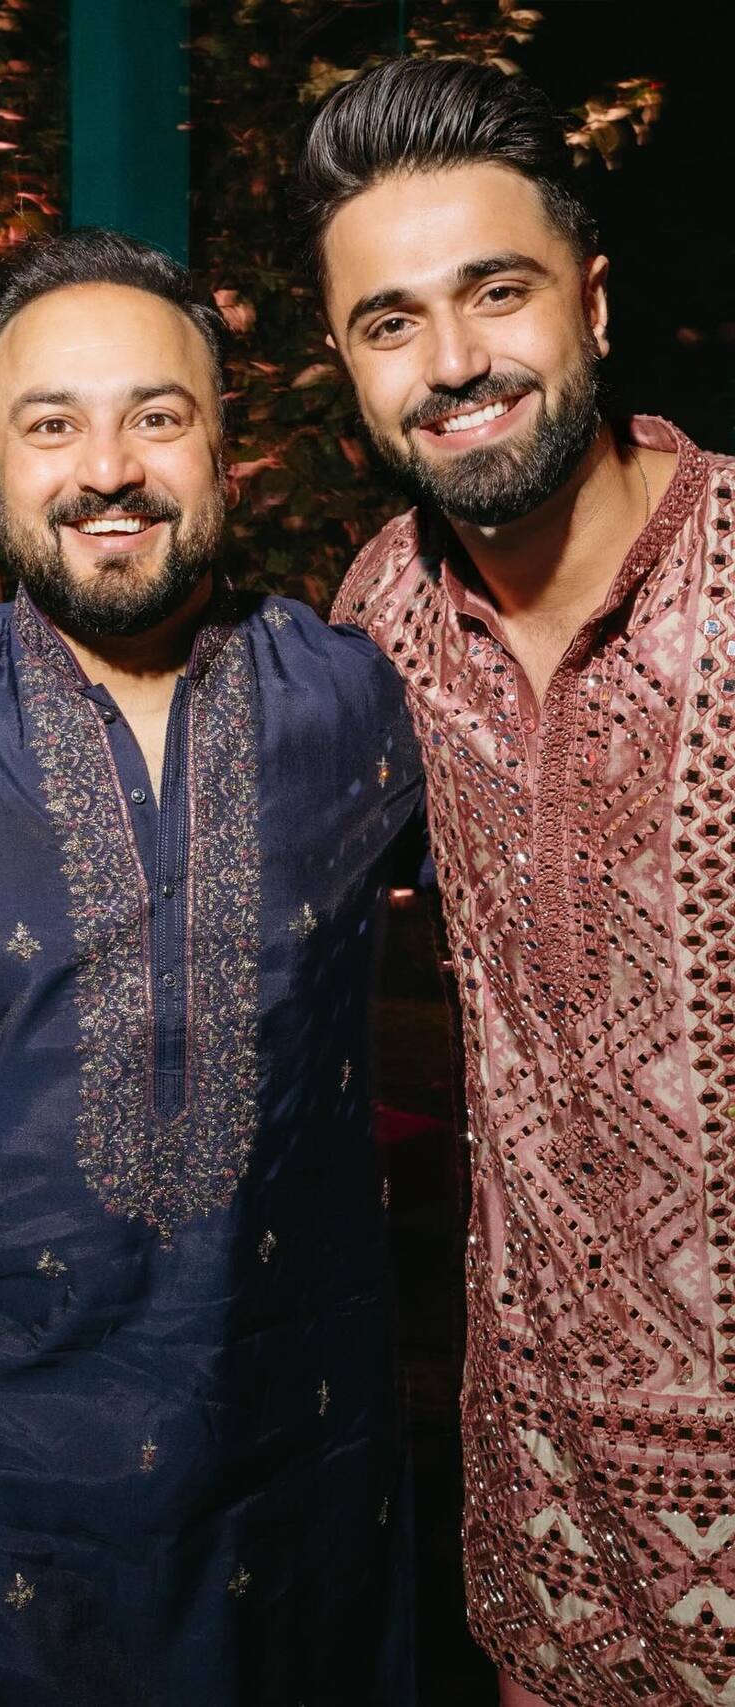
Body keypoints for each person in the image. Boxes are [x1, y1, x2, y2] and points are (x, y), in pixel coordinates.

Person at [0, 227, 423, 1706]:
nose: (107, 467)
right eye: (51, 425)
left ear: (226, 454)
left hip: (295, 1475)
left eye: (156, 417)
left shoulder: (361, 695)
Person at [300, 54, 735, 1707]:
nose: (455, 362)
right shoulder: (377, 624)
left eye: (498, 293)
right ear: (345, 361)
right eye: (390, 321)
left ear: (595, 302)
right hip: (554, 1538)